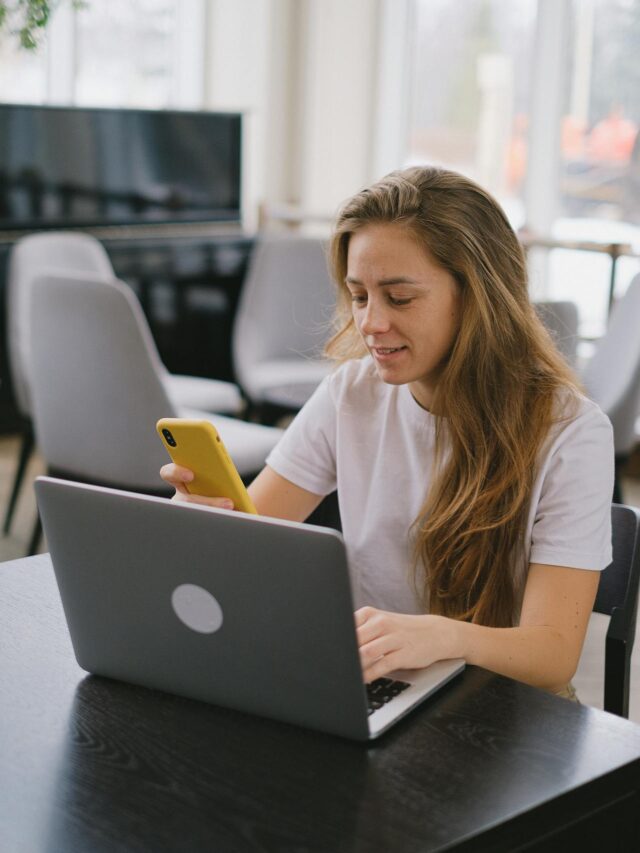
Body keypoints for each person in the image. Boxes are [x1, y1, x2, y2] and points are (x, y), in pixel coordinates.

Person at [161, 166, 613, 700]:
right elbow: (255, 541)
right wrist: (202, 525)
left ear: (478, 298)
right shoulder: (351, 392)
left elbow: (553, 655)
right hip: (376, 686)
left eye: (398, 298)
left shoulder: (569, 433)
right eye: (359, 296)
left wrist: (444, 638)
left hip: (503, 707)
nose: (370, 323)